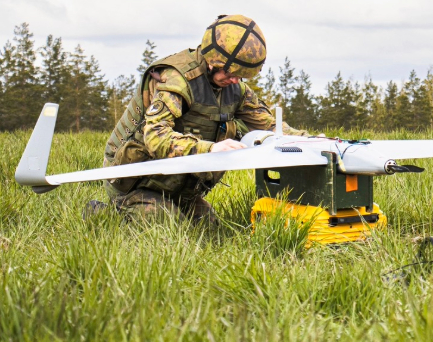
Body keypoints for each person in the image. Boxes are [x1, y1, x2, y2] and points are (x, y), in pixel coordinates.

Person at [103, 15, 307, 225]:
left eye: (241, 75)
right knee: (170, 230)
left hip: (178, 187)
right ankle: (105, 214)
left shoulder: (234, 89)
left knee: (211, 230)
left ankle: (175, 204)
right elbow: (156, 137)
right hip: (135, 182)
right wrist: (210, 150)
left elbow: (270, 127)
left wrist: (311, 141)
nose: (235, 80)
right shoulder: (176, 80)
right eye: (230, 72)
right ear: (213, 60)